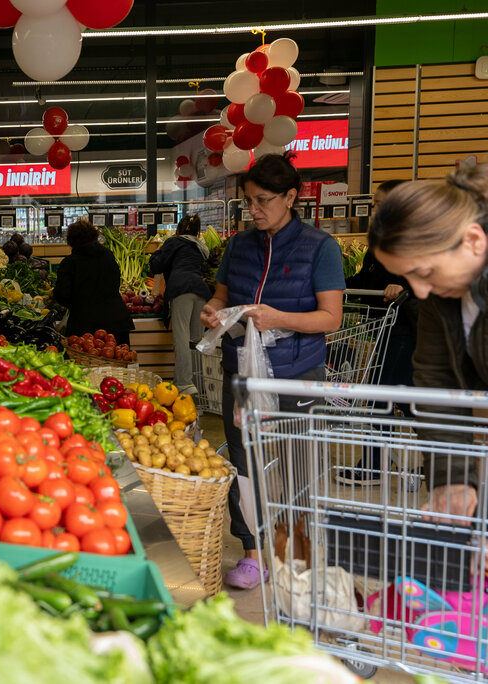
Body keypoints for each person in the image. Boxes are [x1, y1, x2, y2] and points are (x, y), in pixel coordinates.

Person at [200, 154, 346, 589]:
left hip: (298, 372)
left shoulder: (320, 248)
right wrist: (214, 312)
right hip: (242, 373)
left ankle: (295, 550)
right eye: (249, 201)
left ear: (290, 197)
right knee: (243, 461)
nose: (255, 209)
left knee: (300, 463)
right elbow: (220, 297)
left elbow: (330, 318)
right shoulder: (239, 246)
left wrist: (279, 317)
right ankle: (252, 552)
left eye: (264, 200)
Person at [366, 162, 488, 523]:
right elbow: (436, 381)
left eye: (424, 271)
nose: (418, 291)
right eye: (407, 276)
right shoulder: (439, 296)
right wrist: (452, 482)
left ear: (473, 241)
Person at [337, 179, 420, 485]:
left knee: (379, 399)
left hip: (406, 330)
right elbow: (367, 282)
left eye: (380, 205)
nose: (375, 211)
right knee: (408, 402)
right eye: (374, 206)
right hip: (386, 328)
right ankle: (438, 458)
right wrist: (337, 288)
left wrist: (405, 288)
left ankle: (372, 467)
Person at [146, 214, 211, 395]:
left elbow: (156, 266)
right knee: (196, 340)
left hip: (181, 288)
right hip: (202, 290)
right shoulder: (201, 247)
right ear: (197, 231)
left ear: (178, 230)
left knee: (182, 337)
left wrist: (158, 251)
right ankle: (199, 385)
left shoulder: (174, 242)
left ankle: (183, 384)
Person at [54, 219, 134, 346]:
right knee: (118, 359)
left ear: (71, 241)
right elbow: (115, 281)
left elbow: (62, 294)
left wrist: (74, 304)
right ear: (94, 235)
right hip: (116, 322)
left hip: (84, 325)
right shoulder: (108, 255)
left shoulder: (70, 262)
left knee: (87, 362)